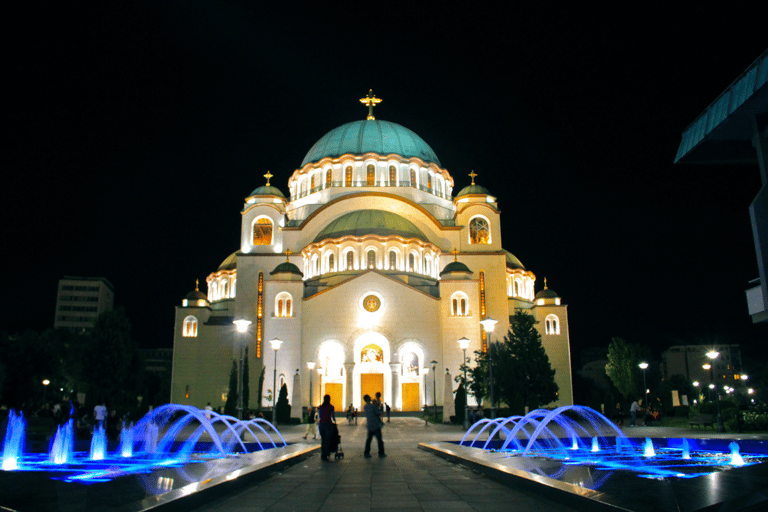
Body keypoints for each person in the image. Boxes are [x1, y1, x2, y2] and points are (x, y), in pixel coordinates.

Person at [317, 395, 336, 461]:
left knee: (323, 440)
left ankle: (323, 454)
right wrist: (335, 423)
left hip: (321, 425)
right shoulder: (331, 407)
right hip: (328, 424)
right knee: (327, 440)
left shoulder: (320, 407)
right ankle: (326, 454)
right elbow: (333, 417)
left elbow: (320, 415)